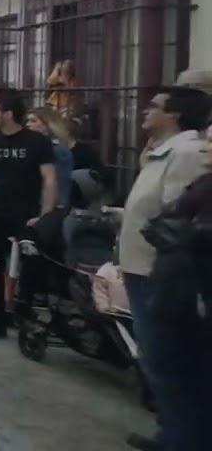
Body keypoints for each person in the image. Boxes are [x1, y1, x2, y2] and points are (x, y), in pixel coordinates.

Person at [117, 87, 209, 451]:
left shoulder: (186, 153)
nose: (145, 111)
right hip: (143, 270)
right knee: (158, 363)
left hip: (162, 275)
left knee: (170, 364)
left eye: (154, 106)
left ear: (175, 115)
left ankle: (184, 441)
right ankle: (172, 434)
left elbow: (178, 221)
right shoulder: (162, 152)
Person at [141, 120, 212, 451]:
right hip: (181, 288)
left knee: (193, 378)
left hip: (198, 290)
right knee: (177, 373)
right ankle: (175, 438)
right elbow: (168, 217)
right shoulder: (203, 183)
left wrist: (190, 234)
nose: (205, 147)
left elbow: (178, 226)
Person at [0, 94, 58, 339]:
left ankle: (24, 311)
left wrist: (46, 214)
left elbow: (49, 178)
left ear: (7, 114)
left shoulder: (38, 142)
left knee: (32, 261)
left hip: (27, 215)